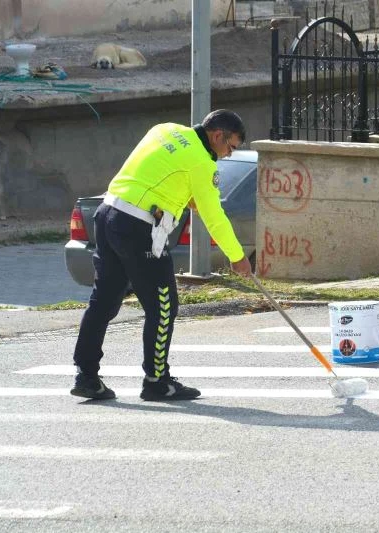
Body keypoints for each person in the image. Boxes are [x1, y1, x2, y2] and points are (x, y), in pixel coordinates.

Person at [70, 109, 252, 401]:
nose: (228, 154)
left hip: (107, 214)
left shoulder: (165, 129)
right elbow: (214, 217)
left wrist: (184, 195)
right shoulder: (202, 163)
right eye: (230, 147)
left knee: (103, 300)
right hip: (139, 227)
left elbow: (157, 172)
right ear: (218, 135)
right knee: (163, 306)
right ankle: (156, 381)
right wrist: (237, 256)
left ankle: (86, 375)